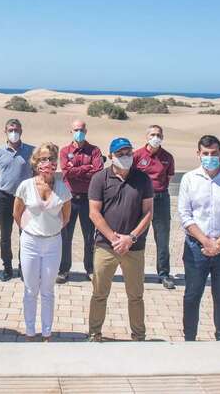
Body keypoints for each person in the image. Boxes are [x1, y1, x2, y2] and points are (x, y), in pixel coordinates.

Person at [178, 135, 220, 341]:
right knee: (192, 296)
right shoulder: (189, 179)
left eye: (214, 153)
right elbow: (185, 215)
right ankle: (189, 338)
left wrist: (219, 243)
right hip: (195, 248)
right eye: (206, 153)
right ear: (198, 154)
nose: (210, 157)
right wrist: (206, 241)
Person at [87, 138, 153, 342]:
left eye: (128, 153)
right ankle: (94, 334)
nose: (125, 157)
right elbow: (94, 212)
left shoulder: (142, 179)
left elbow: (148, 212)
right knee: (99, 293)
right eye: (120, 154)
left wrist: (131, 238)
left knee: (136, 296)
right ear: (111, 156)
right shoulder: (100, 178)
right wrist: (113, 238)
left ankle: (138, 336)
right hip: (106, 246)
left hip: (134, 246)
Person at [14, 143, 71, 341]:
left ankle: (47, 332)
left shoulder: (62, 188)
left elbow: (66, 217)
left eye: (51, 159)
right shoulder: (25, 186)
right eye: (43, 159)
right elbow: (17, 214)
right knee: (30, 290)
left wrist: (50, 229)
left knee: (47, 290)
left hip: (53, 244)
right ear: (36, 162)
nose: (48, 163)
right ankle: (30, 331)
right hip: (30, 243)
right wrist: (31, 230)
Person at [57, 120, 102, 284]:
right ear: (71, 131)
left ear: (86, 131)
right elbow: (66, 172)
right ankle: (63, 270)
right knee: (65, 236)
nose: (79, 132)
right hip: (69, 198)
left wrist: (76, 169)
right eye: (76, 129)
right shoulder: (65, 151)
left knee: (89, 236)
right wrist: (86, 168)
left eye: (81, 129)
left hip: (88, 199)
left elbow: (97, 172)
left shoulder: (94, 150)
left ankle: (90, 269)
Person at [0, 119, 34, 281]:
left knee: (26, 234)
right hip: (5, 197)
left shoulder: (31, 150)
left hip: (25, 199)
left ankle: (24, 268)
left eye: (16, 130)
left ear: (21, 131)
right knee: (5, 235)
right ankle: (7, 268)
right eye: (10, 130)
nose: (13, 133)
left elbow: (36, 173)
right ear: (5, 131)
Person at [133, 124, 176, 289]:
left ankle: (164, 274)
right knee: (138, 236)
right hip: (141, 200)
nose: (155, 137)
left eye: (158, 135)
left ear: (162, 137)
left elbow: (169, 177)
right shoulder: (137, 155)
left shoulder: (167, 157)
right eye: (152, 134)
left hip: (161, 199)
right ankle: (136, 272)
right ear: (147, 137)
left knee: (163, 238)